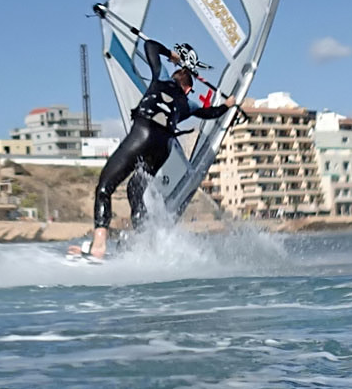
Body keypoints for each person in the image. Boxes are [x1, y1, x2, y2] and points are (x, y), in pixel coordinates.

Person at [69, 39, 235, 259]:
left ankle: (99, 246)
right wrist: (227, 104)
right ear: (188, 88)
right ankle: (144, 246)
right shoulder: (188, 105)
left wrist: (170, 54)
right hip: (161, 149)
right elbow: (210, 113)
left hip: (143, 134)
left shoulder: (162, 77)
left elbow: (149, 45)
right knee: (135, 189)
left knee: (104, 188)